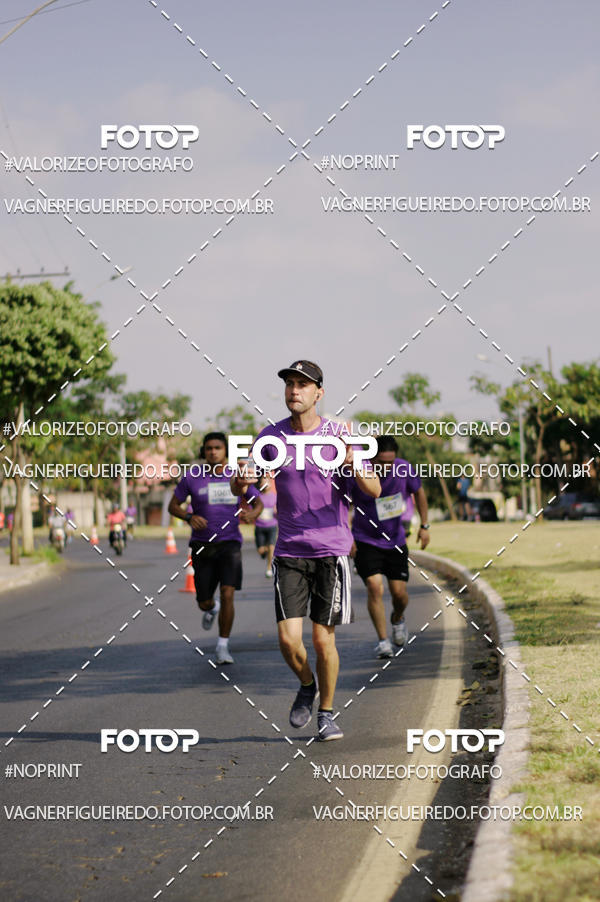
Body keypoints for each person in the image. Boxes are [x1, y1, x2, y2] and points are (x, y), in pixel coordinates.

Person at [232, 360, 380, 741]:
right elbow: (248, 486)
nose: (294, 391)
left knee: (322, 639)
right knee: (287, 640)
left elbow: (374, 490)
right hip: (289, 551)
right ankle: (307, 684)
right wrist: (241, 483)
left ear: (319, 393)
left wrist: (355, 463)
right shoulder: (271, 438)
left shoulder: (339, 436)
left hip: (332, 551)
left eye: (302, 385)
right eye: (289, 385)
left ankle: (327, 714)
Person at [168, 432, 263, 665]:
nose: (213, 451)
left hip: (230, 543)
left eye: (218, 448)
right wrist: (189, 517)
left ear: (225, 451)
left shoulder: (236, 475)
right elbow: (173, 506)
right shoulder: (192, 477)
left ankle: (222, 646)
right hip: (202, 546)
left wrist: (253, 513)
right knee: (203, 601)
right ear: (204, 451)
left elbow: (258, 502)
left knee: (228, 592)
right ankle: (212, 608)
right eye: (209, 448)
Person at [350, 436, 430, 659]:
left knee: (400, 594)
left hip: (395, 540)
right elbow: (343, 503)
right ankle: (383, 641)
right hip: (365, 539)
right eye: (381, 462)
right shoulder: (359, 471)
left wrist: (424, 526)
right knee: (374, 588)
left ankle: (398, 617)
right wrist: (346, 536)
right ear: (370, 458)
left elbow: (419, 493)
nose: (386, 467)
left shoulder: (404, 469)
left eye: (390, 462)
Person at [254, 474, 277, 577]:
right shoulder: (257, 497)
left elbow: (278, 510)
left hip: (272, 526)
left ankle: (269, 568)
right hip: (260, 527)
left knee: (272, 547)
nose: (265, 484)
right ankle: (264, 552)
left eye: (267, 482)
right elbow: (253, 510)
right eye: (263, 482)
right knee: (261, 550)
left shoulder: (275, 497)